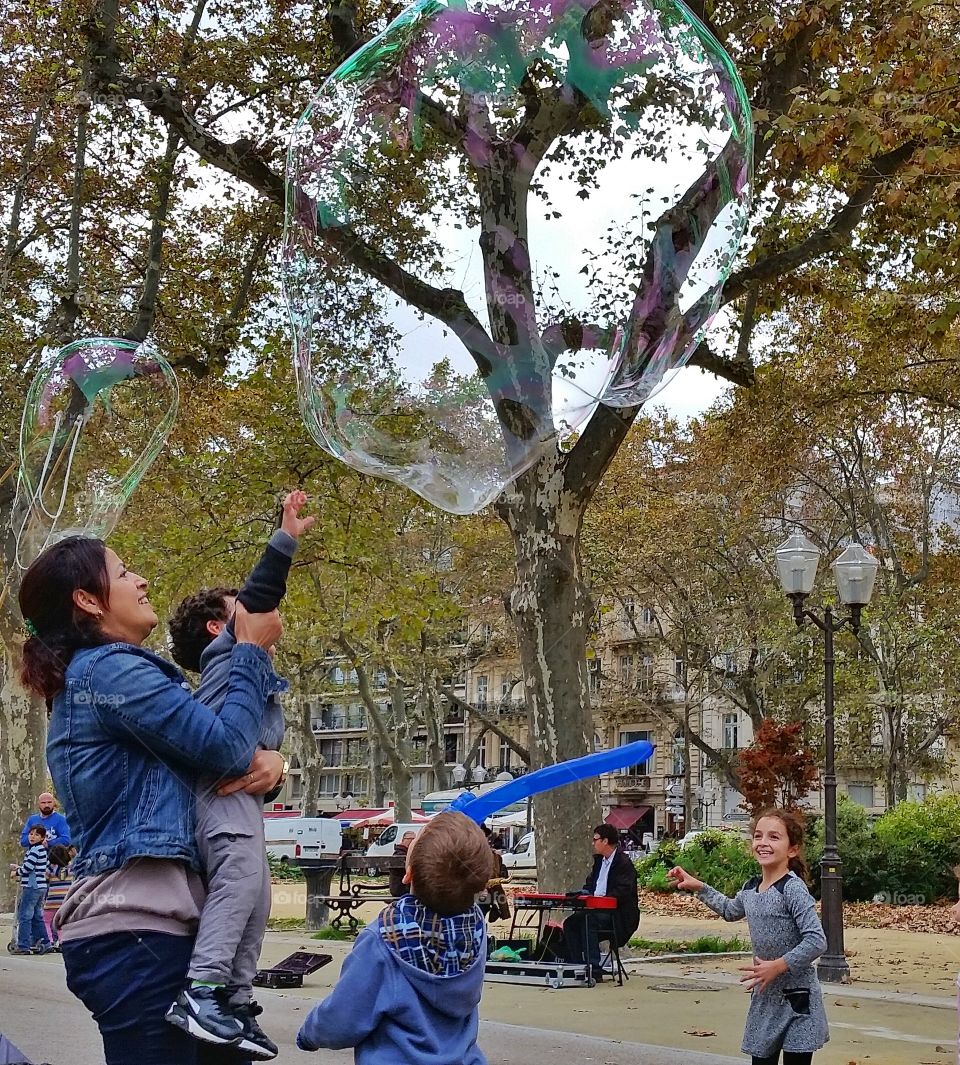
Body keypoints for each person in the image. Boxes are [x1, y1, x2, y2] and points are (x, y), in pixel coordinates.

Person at [18, 533, 284, 1065]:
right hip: (138, 934)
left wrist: (274, 767)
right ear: (87, 600)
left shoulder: (109, 676)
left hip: (158, 933)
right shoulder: (108, 671)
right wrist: (251, 650)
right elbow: (226, 747)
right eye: (122, 573)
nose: (140, 580)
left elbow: (215, 767)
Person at [164, 490, 314, 1060]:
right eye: (239, 609)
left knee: (257, 892)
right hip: (219, 795)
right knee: (239, 883)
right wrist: (286, 539)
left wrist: (278, 766)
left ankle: (236, 996)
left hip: (243, 799)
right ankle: (201, 988)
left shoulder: (247, 667)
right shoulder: (229, 655)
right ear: (215, 628)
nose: (270, 614)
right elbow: (260, 594)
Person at [297, 810, 493, 1064]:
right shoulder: (475, 932)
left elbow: (344, 1018)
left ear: (407, 873)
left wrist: (310, 1034)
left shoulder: (382, 939)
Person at [667, 808, 830, 1065]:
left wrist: (778, 966)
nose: (763, 843)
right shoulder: (751, 888)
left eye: (774, 837)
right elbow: (730, 911)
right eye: (758, 836)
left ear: (792, 849)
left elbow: (816, 940)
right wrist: (699, 887)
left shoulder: (793, 888)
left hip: (798, 999)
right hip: (765, 998)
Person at [563, 823, 640, 973]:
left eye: (595, 839)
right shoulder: (599, 862)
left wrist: (602, 900)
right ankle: (577, 965)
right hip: (595, 909)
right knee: (570, 923)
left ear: (605, 841)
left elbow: (623, 891)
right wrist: (583, 894)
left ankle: (594, 968)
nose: (593, 843)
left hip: (617, 914)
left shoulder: (623, 863)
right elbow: (590, 884)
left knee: (588, 921)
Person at [10, 825, 52, 954]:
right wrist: (19, 867)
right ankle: (44, 941)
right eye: (31, 834)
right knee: (36, 915)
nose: (32, 837)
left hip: (32, 886)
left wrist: (17, 871)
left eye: (36, 835)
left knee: (25, 916)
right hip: (41, 886)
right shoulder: (42, 850)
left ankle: (23, 945)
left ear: (42, 838)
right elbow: (36, 866)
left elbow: (28, 868)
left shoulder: (34, 850)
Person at [43, 843, 77, 948]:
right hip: (65, 900)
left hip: (52, 900)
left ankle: (50, 941)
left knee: (47, 921)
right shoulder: (71, 867)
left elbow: (45, 878)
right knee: (61, 923)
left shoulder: (50, 867)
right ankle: (62, 941)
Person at [388, 830, 418, 897]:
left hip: (399, 888)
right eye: (410, 839)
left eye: (414, 839)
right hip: (401, 889)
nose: (412, 841)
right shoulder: (400, 854)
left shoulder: (401, 852)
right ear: (403, 840)